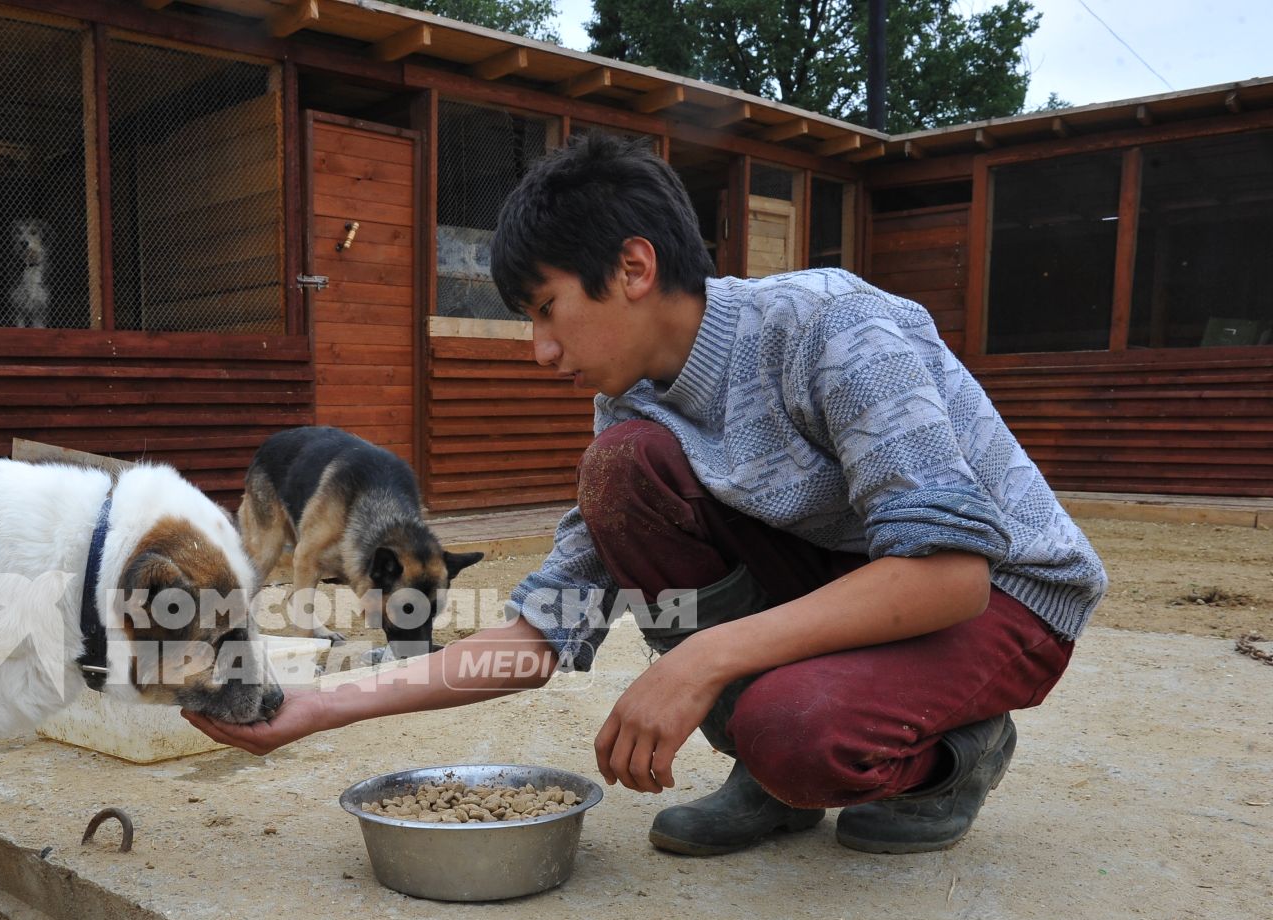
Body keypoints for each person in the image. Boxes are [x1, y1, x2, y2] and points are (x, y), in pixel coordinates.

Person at [186, 132, 1106, 856]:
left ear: (632, 269)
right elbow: (542, 634)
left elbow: (948, 577)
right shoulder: (628, 408)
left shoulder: (834, 329)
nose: (541, 349)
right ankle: (772, 783)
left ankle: (955, 756)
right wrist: (317, 706)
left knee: (800, 733)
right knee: (624, 472)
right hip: (854, 578)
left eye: (546, 309)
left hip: (1004, 598)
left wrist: (698, 661)